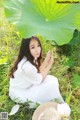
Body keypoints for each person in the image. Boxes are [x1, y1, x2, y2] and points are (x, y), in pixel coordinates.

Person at [9, 36, 64, 105]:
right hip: (19, 94)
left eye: (38, 46)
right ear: (26, 49)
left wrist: (46, 59)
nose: (37, 50)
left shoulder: (28, 57)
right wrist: (49, 64)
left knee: (51, 79)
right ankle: (58, 105)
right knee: (51, 84)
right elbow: (40, 79)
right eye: (33, 47)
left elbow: (37, 72)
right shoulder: (27, 66)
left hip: (23, 86)